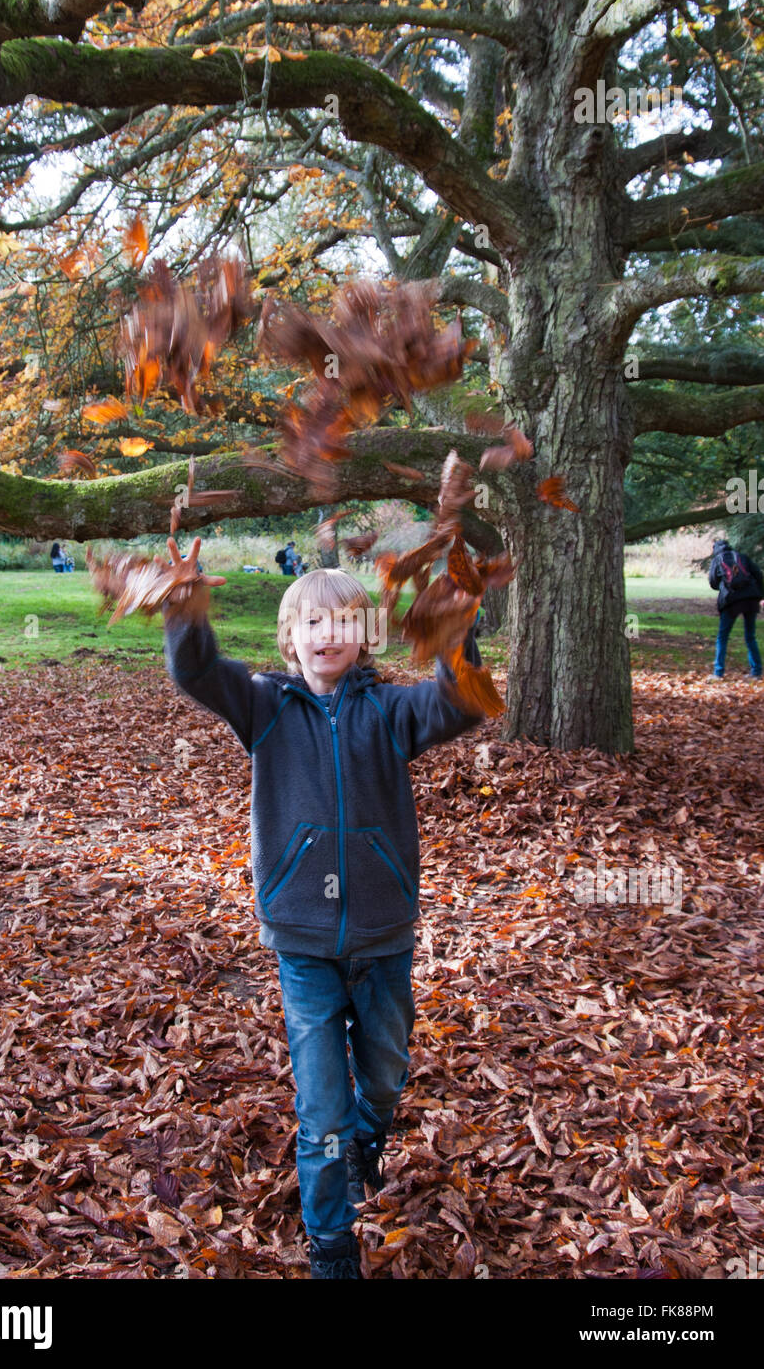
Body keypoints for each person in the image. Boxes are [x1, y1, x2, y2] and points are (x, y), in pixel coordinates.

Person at [160, 536, 487, 1279]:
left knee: (380, 1078)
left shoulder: (391, 712)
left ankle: (364, 1148)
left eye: (343, 622)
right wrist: (186, 604)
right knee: (322, 1112)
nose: (327, 635)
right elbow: (195, 671)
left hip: (381, 936)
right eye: (312, 623)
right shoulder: (266, 705)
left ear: (365, 636)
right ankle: (332, 1249)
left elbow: (463, 701)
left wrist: (455, 624)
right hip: (303, 941)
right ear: (289, 638)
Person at [706, 538, 763, 681]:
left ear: (715, 550)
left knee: (722, 637)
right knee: (750, 636)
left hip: (731, 601)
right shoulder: (742, 557)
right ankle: (756, 672)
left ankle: (718, 673)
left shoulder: (717, 560)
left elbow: (713, 583)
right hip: (751, 598)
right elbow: (758, 574)